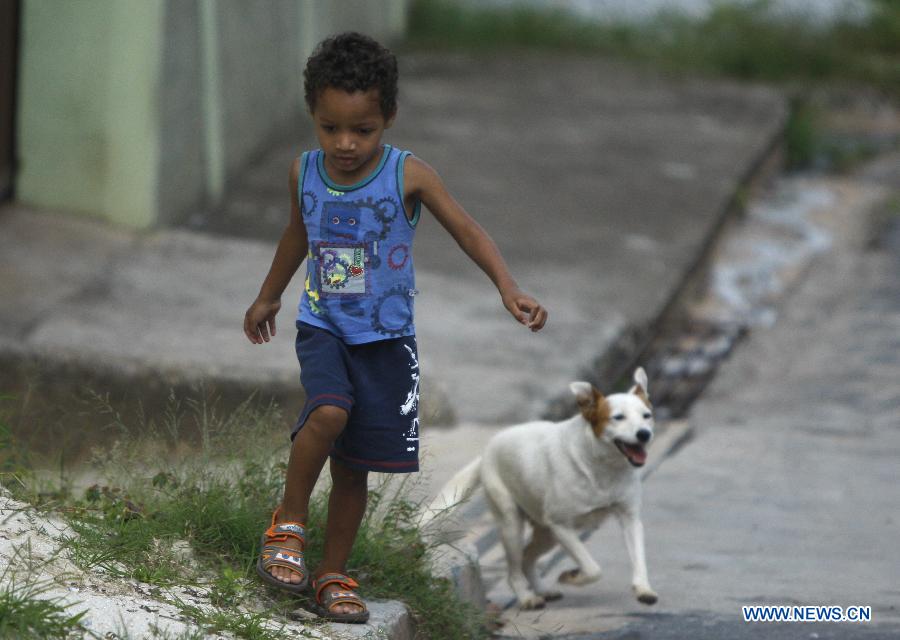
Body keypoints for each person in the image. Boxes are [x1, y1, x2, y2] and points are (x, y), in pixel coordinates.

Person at [243, 31, 547, 623]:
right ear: (313, 116)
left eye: (363, 129)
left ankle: (332, 572)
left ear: (389, 118)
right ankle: (288, 523)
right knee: (329, 412)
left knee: (355, 463)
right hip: (323, 324)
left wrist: (508, 287)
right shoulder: (304, 171)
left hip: (386, 340)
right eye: (331, 128)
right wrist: (268, 296)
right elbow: (297, 235)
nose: (346, 143)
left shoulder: (410, 174)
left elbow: (468, 230)